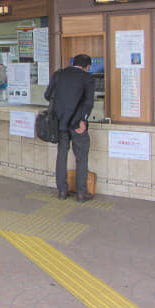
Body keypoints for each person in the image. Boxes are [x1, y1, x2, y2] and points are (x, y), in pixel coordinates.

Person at [44, 54, 95, 202]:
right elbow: (88, 103)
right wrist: (82, 120)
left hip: (60, 123)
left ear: (73, 63)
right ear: (87, 66)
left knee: (61, 155)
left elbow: (47, 95)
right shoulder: (87, 78)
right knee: (81, 157)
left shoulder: (59, 74)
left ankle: (61, 191)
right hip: (77, 123)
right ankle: (81, 193)